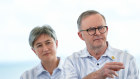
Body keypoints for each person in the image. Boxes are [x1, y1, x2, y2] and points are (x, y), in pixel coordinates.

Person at [63, 10, 139, 79]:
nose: (98, 33)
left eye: (101, 28)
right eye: (91, 30)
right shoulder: (71, 62)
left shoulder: (128, 60)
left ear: (107, 30)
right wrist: (97, 75)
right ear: (80, 36)